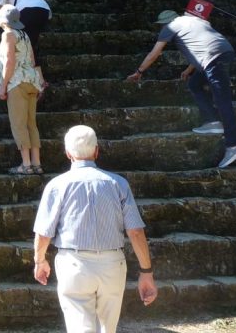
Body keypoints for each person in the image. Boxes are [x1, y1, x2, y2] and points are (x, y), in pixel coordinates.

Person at [33, 125, 158, 333]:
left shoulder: (57, 185)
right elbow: (135, 231)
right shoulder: (118, 183)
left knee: (79, 327)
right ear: (97, 151)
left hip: (74, 263)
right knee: (107, 329)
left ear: (68, 154)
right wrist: (146, 272)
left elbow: (44, 232)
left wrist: (40, 260)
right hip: (112, 264)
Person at [127, 9, 236, 168]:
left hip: (213, 58)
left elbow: (154, 53)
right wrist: (189, 70)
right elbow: (202, 45)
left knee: (222, 100)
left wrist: (139, 72)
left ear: (165, 22)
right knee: (194, 84)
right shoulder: (195, 21)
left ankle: (234, 145)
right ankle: (213, 122)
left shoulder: (169, 27)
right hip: (223, 51)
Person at [0, 4, 44, 175]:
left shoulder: (8, 35)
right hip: (31, 81)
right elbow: (32, 58)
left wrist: (3, 86)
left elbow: (9, 62)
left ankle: (26, 164)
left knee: (18, 124)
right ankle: (37, 163)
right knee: (31, 123)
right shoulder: (24, 34)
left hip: (17, 83)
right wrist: (40, 81)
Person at [0, 0, 51, 91]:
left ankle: (36, 81)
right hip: (44, 10)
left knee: (22, 44)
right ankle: (40, 80)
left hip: (29, 10)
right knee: (31, 44)